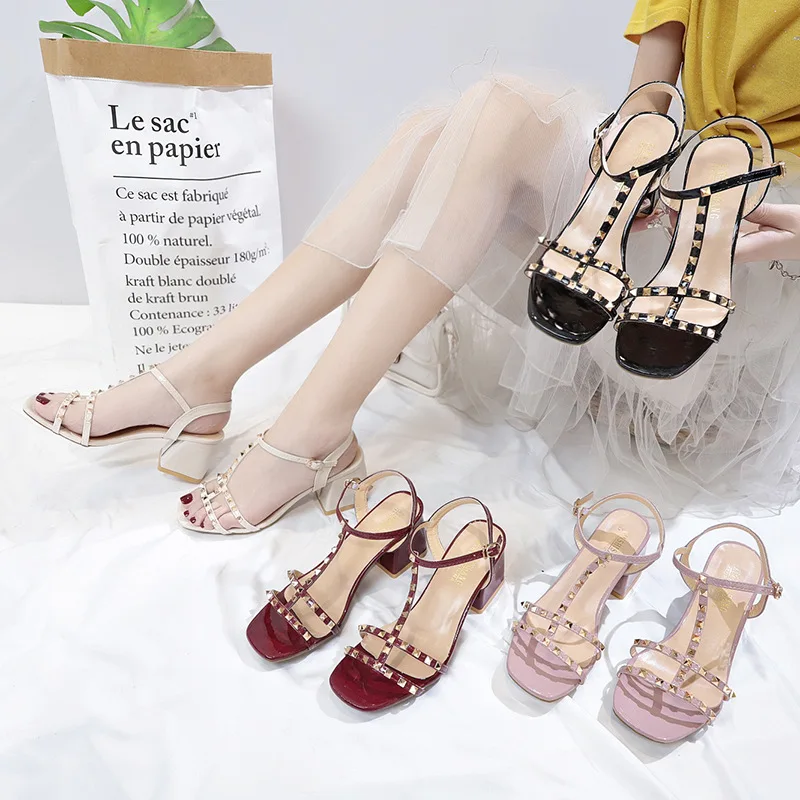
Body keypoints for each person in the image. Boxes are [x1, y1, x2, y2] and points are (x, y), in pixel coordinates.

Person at [28, 0, 800, 527]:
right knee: (464, 118)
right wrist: (632, 173)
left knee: (491, 113)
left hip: (758, 230)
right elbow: (647, 105)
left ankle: (286, 423)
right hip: (685, 181)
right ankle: (210, 378)